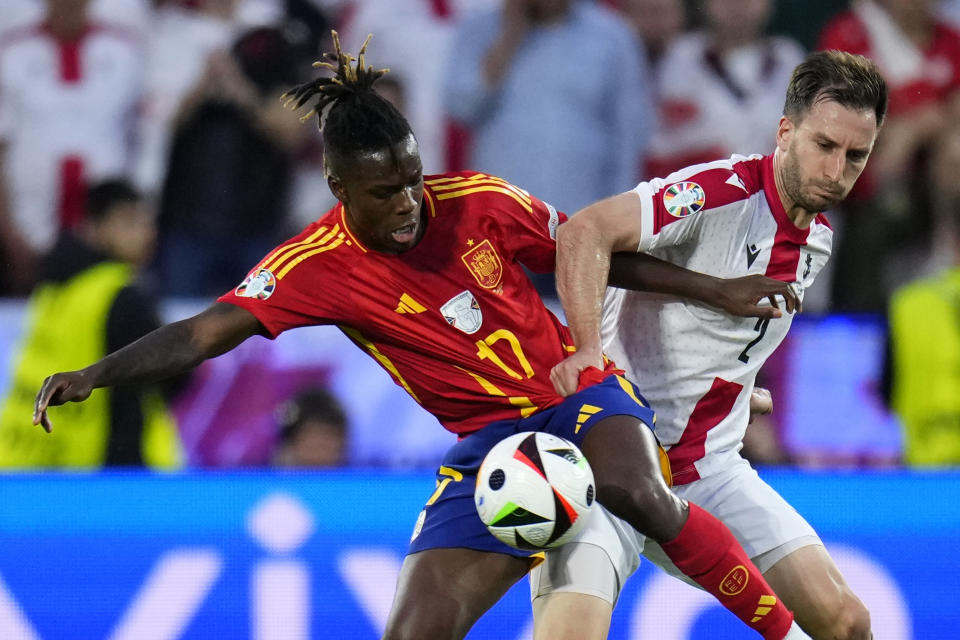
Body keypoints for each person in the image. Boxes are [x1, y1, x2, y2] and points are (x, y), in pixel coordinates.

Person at [33, 33, 807, 639]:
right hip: (488, 447)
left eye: (412, 176)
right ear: (339, 189)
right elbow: (205, 332)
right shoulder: (315, 265)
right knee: (415, 630)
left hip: (577, 395)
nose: (409, 201)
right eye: (385, 191)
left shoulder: (479, 203)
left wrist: (717, 288)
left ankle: (783, 634)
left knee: (639, 491)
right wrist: (94, 376)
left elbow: (597, 254)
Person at [540, 50, 885, 640]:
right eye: (824, 146)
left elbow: (716, 340)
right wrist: (588, 350)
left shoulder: (817, 240)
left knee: (847, 623)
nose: (836, 171)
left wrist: (740, 393)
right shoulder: (717, 193)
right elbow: (583, 232)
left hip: (708, 471)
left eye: (856, 156)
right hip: (612, 457)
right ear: (785, 131)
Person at [0, 179, 182, 468]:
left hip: (31, 450)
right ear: (94, 227)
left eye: (147, 222)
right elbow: (175, 373)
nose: (146, 234)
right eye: (129, 221)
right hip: (103, 459)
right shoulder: (122, 295)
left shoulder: (53, 282)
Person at [272, 386, 349, 467]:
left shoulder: (356, 477)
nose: (320, 451)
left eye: (327, 439)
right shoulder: (267, 475)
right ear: (292, 442)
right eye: (313, 436)